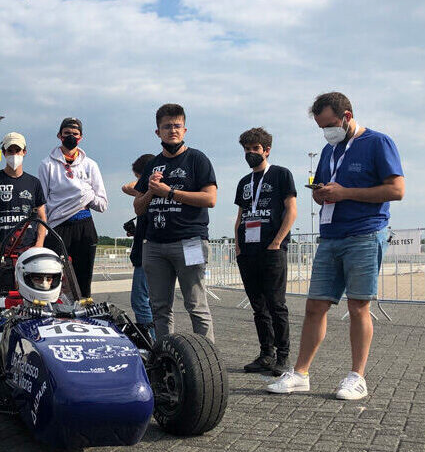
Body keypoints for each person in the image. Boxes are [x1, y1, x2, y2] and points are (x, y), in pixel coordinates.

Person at [267, 92, 404, 399]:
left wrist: (345, 193)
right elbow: (326, 188)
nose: (326, 132)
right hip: (330, 235)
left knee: (358, 306)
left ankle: (357, 377)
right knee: (315, 306)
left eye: (329, 125)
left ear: (346, 116)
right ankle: (300, 373)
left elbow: (397, 190)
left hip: (365, 233)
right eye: (321, 127)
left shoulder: (378, 142)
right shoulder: (330, 149)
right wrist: (320, 194)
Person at [134, 103, 217, 344]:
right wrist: (151, 191)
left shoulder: (197, 159)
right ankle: (164, 356)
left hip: (190, 241)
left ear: (185, 130)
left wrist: (169, 192)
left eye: (177, 126)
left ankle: (207, 357)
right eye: (167, 126)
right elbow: (138, 207)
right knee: (159, 307)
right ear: (158, 132)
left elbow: (210, 199)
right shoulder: (153, 165)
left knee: (196, 304)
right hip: (155, 245)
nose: (173, 130)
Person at [233, 128, 297, 375]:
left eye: (255, 149)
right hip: (248, 251)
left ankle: (283, 356)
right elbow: (240, 216)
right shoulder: (244, 182)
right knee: (258, 307)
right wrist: (238, 245)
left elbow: (291, 210)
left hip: (272, 250)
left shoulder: (281, 174)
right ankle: (266, 354)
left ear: (266, 150)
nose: (250, 153)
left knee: (276, 304)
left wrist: (277, 241)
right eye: (246, 149)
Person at [38, 117, 108, 298]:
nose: (71, 137)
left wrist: (85, 194)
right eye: (67, 133)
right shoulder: (47, 164)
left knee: (83, 280)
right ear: (59, 135)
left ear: (81, 137)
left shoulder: (90, 165)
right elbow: (42, 202)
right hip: (57, 226)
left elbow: (102, 204)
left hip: (84, 225)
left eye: (75, 134)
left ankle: (84, 308)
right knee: (53, 277)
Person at [0, 132, 47, 256]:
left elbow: (42, 217)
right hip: (2, 251)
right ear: (4, 152)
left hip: (29, 251)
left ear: (24, 152)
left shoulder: (34, 183)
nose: (14, 154)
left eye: (17, 150)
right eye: (10, 151)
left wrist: (39, 244)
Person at [121, 154, 156, 337]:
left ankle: (150, 339)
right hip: (146, 249)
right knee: (152, 301)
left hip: (146, 255)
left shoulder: (151, 190)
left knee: (140, 300)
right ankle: (156, 337)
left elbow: (126, 187)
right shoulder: (153, 194)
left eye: (138, 176)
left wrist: (144, 182)